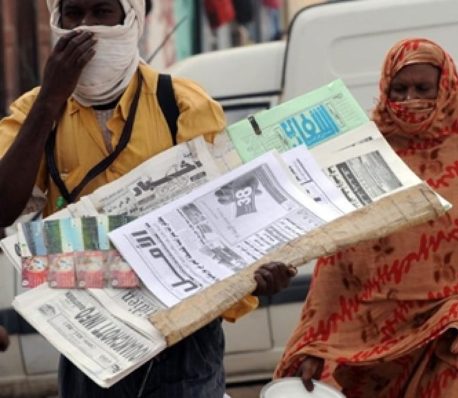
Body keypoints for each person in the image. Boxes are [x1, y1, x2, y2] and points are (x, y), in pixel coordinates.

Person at [0, 0, 295, 396]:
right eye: (73, 14)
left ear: (131, 18)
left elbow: (228, 217)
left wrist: (256, 278)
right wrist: (50, 100)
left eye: (103, 12)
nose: (86, 29)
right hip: (90, 340)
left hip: (184, 341)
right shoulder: (31, 112)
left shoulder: (183, 104)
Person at [274, 38, 458, 397]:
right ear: (385, 90)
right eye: (399, 89)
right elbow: (339, 265)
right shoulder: (367, 159)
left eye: (423, 88)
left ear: (446, 90)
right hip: (379, 354)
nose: (409, 100)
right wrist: (313, 344)